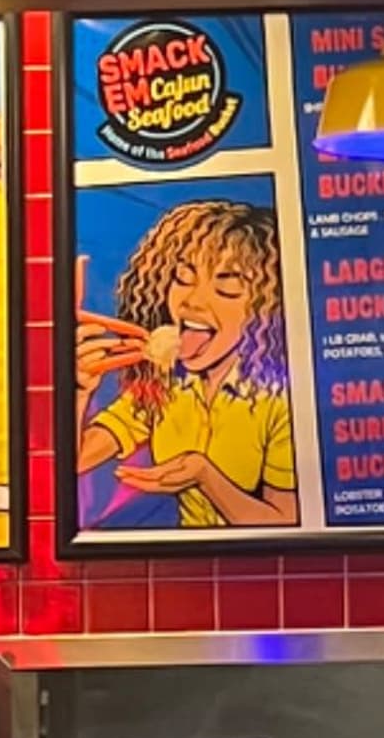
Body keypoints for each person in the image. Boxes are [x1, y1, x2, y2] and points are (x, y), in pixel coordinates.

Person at [76, 195, 299, 530]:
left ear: (265, 306)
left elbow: (287, 523)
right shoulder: (166, 385)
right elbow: (76, 460)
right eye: (183, 277)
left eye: (228, 288)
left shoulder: (279, 401)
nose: (193, 301)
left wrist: (203, 475)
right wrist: (80, 391)